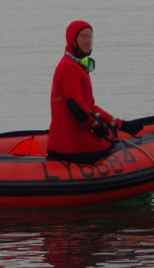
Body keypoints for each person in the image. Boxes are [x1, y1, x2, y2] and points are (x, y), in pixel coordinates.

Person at [47, 20, 142, 163]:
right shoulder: (70, 68)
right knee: (112, 134)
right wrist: (98, 126)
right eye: (83, 37)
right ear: (72, 39)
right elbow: (77, 108)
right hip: (74, 149)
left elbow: (89, 107)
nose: (88, 41)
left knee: (112, 129)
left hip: (58, 145)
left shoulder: (72, 64)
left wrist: (121, 124)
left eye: (90, 37)